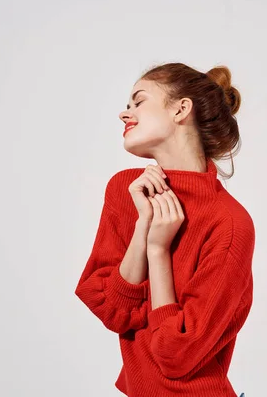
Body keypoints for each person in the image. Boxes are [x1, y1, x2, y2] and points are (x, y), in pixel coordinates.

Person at [74, 62, 254, 397]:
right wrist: (143, 228)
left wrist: (157, 251)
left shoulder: (229, 223)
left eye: (138, 101)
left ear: (181, 109)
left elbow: (176, 354)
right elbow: (111, 310)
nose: (124, 114)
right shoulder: (128, 191)